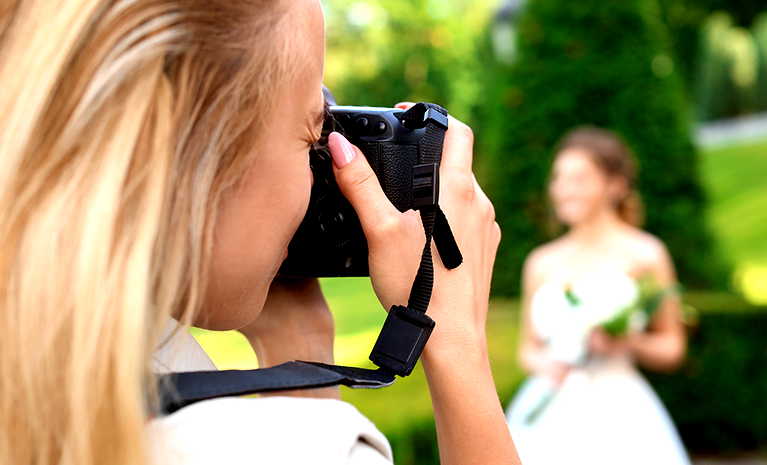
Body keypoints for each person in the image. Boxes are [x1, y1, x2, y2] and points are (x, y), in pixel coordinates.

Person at [0, 1, 520, 464]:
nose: (321, 172)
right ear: (204, 163)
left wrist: (297, 338)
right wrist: (455, 342)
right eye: (313, 134)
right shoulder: (288, 447)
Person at [505, 126, 691, 464]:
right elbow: (527, 350)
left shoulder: (647, 254)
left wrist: (626, 343)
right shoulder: (540, 262)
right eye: (558, 178)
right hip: (552, 406)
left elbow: (672, 348)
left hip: (622, 410)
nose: (563, 190)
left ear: (615, 185)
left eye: (579, 179)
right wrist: (550, 366)